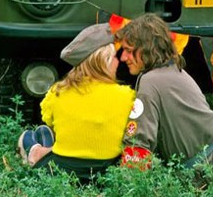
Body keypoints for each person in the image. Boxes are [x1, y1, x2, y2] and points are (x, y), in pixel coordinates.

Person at [115, 13, 213, 182]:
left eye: (128, 51)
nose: (123, 57)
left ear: (145, 49)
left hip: (206, 165)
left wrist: (126, 186)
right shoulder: (173, 69)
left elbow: (138, 143)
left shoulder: (150, 81)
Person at [17, 23, 136, 181]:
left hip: (62, 170)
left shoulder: (57, 92)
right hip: (106, 172)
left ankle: (34, 151)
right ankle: (41, 148)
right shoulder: (127, 95)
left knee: (32, 135)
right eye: (114, 57)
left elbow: (49, 121)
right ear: (103, 61)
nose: (118, 62)